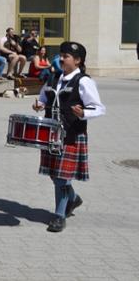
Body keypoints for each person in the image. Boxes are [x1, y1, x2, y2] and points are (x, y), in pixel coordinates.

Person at [32, 42, 105, 232]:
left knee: (62, 178)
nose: (61, 59)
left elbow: (98, 108)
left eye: (66, 56)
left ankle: (59, 215)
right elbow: (43, 98)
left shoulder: (83, 81)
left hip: (71, 133)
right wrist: (39, 104)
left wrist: (83, 113)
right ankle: (73, 199)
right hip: (51, 133)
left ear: (78, 60)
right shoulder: (54, 77)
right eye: (61, 55)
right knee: (53, 174)